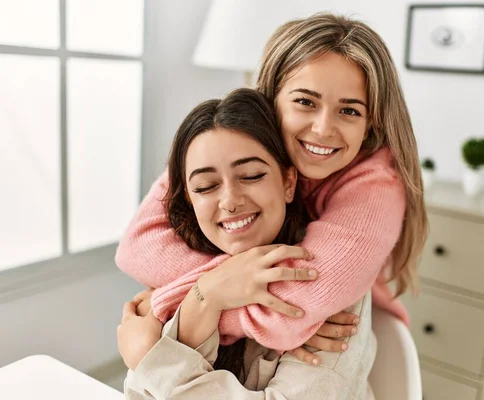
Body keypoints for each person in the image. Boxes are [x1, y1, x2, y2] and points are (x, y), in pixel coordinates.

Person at [116, 12, 428, 363]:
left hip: (342, 338)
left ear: (371, 123)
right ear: (270, 97)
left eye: (350, 111)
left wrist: (173, 305)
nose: (323, 129)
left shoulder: (376, 186)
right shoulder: (234, 137)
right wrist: (220, 287)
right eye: (306, 102)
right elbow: (136, 246)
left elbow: (288, 317)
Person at [119, 88, 376, 399]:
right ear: (189, 199)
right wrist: (208, 292)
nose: (229, 201)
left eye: (251, 176)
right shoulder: (175, 277)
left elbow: (151, 377)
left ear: (288, 182)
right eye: (206, 186)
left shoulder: (326, 284)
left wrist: (157, 358)